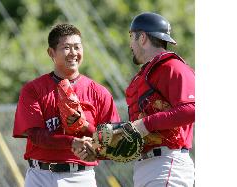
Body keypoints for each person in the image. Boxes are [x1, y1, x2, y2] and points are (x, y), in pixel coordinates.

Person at [74, 12, 195, 187]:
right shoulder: (147, 74)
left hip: (167, 164)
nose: (130, 44)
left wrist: (145, 124)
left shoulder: (173, 67)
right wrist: (100, 151)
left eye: (132, 37)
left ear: (143, 37)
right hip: (148, 166)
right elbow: (137, 136)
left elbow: (193, 109)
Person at [13, 23, 120, 187]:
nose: (74, 53)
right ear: (51, 52)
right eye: (66, 47)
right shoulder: (33, 90)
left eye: (77, 47)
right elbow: (35, 136)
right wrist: (72, 142)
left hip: (80, 177)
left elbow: (113, 140)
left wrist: (86, 130)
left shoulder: (99, 92)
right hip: (40, 176)